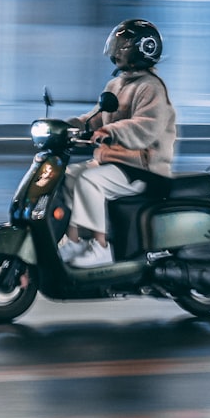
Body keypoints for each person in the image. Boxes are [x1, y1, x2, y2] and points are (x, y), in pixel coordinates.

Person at [59, 18, 177, 268]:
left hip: (144, 170)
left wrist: (110, 132)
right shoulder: (117, 84)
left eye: (122, 44)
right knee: (67, 176)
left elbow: (145, 126)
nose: (115, 49)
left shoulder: (151, 87)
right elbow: (96, 117)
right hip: (116, 163)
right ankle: (76, 239)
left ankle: (101, 247)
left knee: (89, 181)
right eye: (117, 43)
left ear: (142, 48)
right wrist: (68, 126)